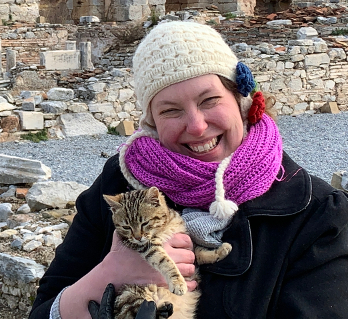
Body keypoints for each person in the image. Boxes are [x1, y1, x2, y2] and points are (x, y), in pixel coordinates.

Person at [29, 20, 348, 319]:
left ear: (240, 99)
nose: (196, 126)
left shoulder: (317, 214)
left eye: (209, 100)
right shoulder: (122, 181)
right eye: (170, 110)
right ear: (151, 123)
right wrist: (107, 275)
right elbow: (43, 310)